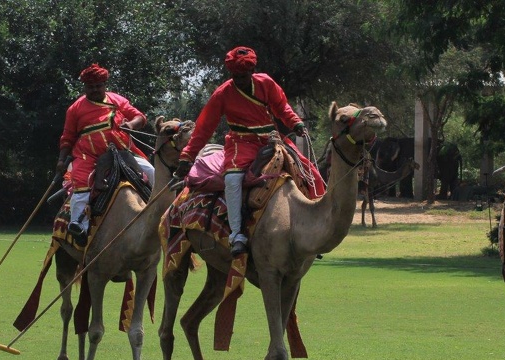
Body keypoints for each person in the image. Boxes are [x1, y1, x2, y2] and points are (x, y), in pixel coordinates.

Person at [174, 46, 319, 257]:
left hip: (271, 140)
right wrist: (187, 155)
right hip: (240, 144)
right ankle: (236, 235)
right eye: (235, 76)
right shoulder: (222, 93)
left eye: (243, 76)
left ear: (252, 71)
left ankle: (310, 226)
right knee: (232, 180)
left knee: (306, 170)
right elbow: (204, 128)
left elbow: (282, 107)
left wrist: (295, 122)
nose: (239, 80)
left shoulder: (266, 83)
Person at [57, 63, 154, 239]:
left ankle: (163, 214)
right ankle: (78, 225)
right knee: (82, 183)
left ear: (104, 85)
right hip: (88, 155)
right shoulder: (75, 109)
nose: (95, 89)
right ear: (85, 87)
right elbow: (67, 137)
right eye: (91, 87)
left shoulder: (117, 100)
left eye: (98, 86)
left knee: (151, 171)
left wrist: (131, 124)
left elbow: (140, 117)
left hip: (122, 150)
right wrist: (62, 160)